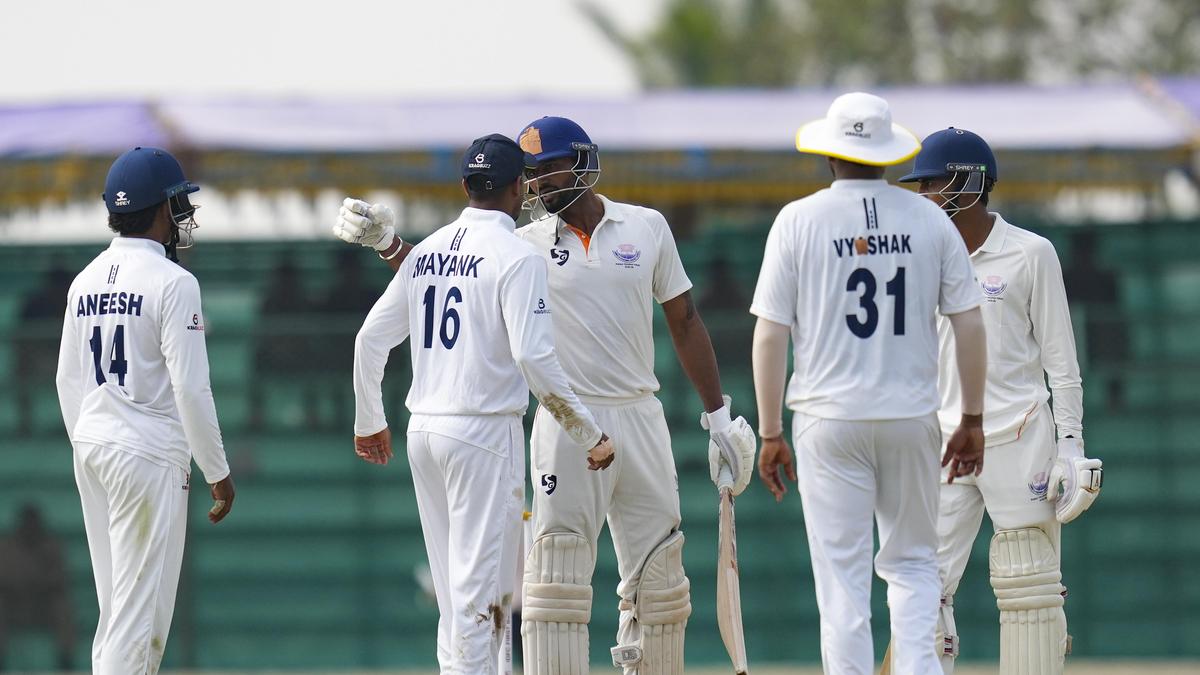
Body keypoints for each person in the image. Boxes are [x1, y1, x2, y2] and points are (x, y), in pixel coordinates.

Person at [335, 116, 757, 675]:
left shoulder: (646, 227)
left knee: (658, 582)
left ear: (581, 162)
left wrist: (719, 417)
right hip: (565, 423)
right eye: (528, 174)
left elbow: (684, 319)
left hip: (639, 413)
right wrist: (389, 245)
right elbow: (450, 270)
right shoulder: (524, 241)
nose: (535, 184)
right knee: (555, 587)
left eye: (547, 169)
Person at [349, 133, 616, 674]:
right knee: (478, 597)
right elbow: (536, 361)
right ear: (520, 187)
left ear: (466, 186)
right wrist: (591, 434)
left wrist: (369, 421)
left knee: (462, 596)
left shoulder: (424, 252)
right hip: (483, 434)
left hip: (424, 430)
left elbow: (369, 340)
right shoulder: (518, 256)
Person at [751, 92, 987, 675]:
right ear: (887, 155)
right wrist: (973, 419)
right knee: (912, 566)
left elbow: (770, 335)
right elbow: (970, 322)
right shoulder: (932, 218)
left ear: (830, 155)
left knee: (842, 581)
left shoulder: (798, 219)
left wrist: (770, 430)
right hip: (911, 415)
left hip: (827, 420)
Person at [898, 128, 1103, 675]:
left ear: (968, 182)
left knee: (1030, 589)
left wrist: (1071, 446)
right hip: (944, 442)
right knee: (922, 592)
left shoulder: (1030, 253)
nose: (923, 196)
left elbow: (1062, 362)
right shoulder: (921, 258)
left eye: (932, 183)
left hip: (1020, 436)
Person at [55, 146, 235, 674]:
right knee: (138, 620)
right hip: (146, 452)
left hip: (93, 445)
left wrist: (90, 441)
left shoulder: (84, 280)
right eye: (178, 203)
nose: (183, 215)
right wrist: (218, 473)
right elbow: (192, 389)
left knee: (118, 611)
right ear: (160, 210)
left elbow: (67, 379)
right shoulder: (175, 283)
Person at [0, 504, 74, 671]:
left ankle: (66, 659)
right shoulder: (6, 547)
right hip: (14, 606)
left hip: (42, 606)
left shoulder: (51, 546)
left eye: (33, 524)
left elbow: (59, 581)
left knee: (61, 606)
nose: (30, 528)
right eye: (27, 524)